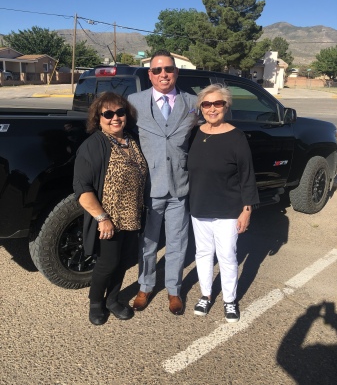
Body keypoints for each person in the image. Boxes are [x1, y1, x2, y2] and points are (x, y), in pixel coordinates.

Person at [128, 50, 198, 315]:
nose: (163, 74)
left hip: (180, 186)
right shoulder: (134, 101)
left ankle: (174, 291)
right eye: (157, 70)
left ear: (176, 72)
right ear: (150, 74)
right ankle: (145, 286)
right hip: (150, 186)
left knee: (178, 244)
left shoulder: (192, 101)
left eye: (168, 69)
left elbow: (207, 126)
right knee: (148, 243)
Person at [73, 92, 147, 325]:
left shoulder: (132, 140)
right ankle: (96, 302)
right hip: (109, 219)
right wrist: (102, 218)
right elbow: (82, 189)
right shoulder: (93, 146)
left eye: (120, 112)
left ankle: (113, 299)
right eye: (108, 113)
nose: (115, 118)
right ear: (98, 118)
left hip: (132, 216)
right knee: (107, 264)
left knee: (123, 261)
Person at [187, 84, 259, 322]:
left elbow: (247, 176)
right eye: (206, 104)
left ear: (226, 106)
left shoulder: (236, 137)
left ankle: (229, 300)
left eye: (218, 103)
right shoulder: (195, 133)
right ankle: (206, 295)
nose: (212, 108)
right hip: (199, 206)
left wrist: (246, 210)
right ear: (201, 108)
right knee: (203, 253)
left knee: (227, 255)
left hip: (228, 208)